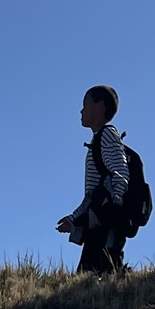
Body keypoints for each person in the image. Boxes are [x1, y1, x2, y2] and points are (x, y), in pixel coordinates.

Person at [55, 84, 130, 273]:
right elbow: (92, 195)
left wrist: (113, 209)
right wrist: (73, 220)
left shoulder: (107, 136)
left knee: (93, 277)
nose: (81, 111)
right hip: (97, 223)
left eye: (85, 104)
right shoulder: (97, 141)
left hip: (104, 224)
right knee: (94, 276)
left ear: (100, 107)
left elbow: (120, 174)